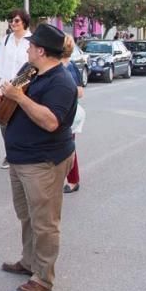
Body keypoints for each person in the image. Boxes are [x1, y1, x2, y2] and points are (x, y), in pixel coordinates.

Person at [0, 24, 77, 291]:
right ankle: (29, 262)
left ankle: (43, 278)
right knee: (26, 215)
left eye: (30, 46)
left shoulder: (61, 82)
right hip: (20, 158)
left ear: (41, 51)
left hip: (43, 161)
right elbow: (13, 99)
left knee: (45, 222)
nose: (26, 48)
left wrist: (19, 98)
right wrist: (3, 98)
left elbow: (51, 122)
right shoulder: (29, 71)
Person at [0, 9, 32, 169]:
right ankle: (10, 153)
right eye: (11, 20)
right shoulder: (6, 40)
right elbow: (1, 63)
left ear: (24, 21)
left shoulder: (31, 40)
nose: (13, 23)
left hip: (24, 86)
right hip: (6, 85)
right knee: (4, 121)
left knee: (23, 120)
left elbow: (32, 65)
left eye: (16, 20)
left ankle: (25, 151)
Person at [61, 35, 85, 194]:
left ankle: (73, 180)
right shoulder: (58, 66)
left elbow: (80, 92)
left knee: (68, 148)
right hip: (62, 112)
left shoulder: (69, 67)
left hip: (68, 113)